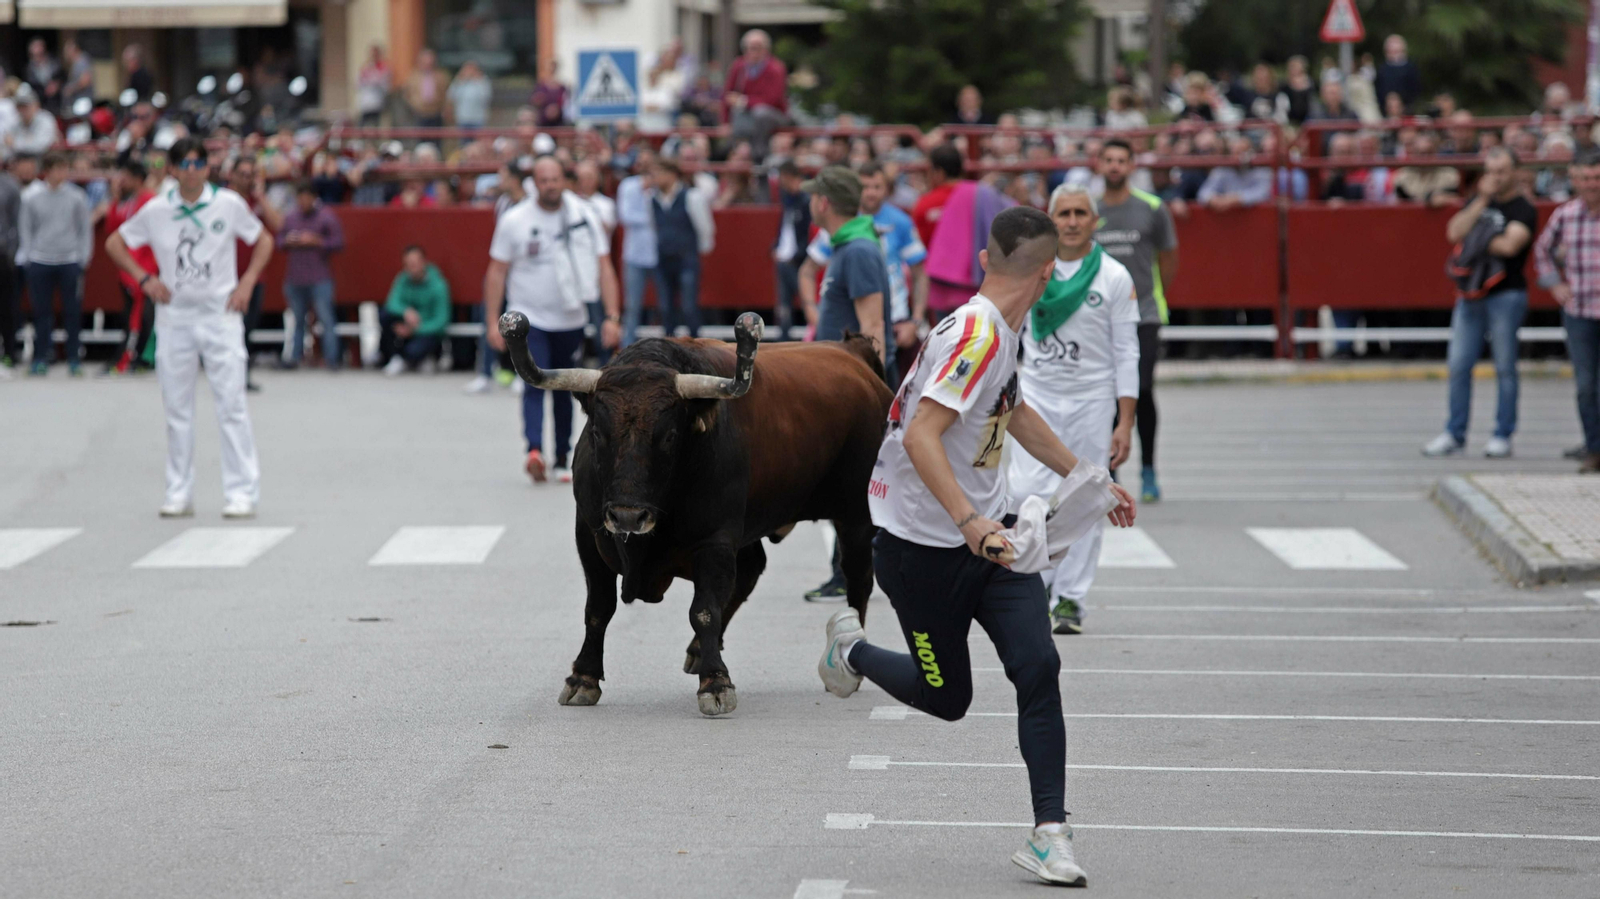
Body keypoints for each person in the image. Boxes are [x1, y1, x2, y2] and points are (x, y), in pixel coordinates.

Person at [818, 206, 1136, 888]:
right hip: (920, 548)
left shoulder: (1002, 330)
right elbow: (920, 435)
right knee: (946, 695)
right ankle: (850, 649)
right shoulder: (978, 333)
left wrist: (1087, 476)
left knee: (1038, 664)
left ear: (988, 260)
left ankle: (1049, 832)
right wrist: (969, 522)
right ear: (1049, 274)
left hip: (994, 540)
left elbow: (1012, 410)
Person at [105, 137, 274, 519]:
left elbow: (263, 240)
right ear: (173, 169)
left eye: (199, 163)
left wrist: (247, 282)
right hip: (176, 317)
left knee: (231, 404)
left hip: (220, 315)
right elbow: (116, 243)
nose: (193, 170)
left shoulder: (227, 204)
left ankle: (241, 491)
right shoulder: (158, 209)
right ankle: (179, 491)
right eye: (186, 163)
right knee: (177, 409)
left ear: (207, 168)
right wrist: (145, 280)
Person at [1008, 184, 1140, 635]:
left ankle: (1069, 598)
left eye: (1081, 212)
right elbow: (1008, 336)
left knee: (1087, 494)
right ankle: (1037, 581)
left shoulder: (1115, 277)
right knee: (1024, 489)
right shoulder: (1031, 273)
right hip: (1038, 397)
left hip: (1091, 400)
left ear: (1094, 220)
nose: (1072, 220)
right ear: (1051, 219)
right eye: (1063, 212)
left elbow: (1127, 353)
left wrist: (1125, 421)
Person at [483, 156, 620, 485]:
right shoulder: (515, 219)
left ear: (564, 180)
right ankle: (534, 450)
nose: (550, 185)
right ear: (534, 182)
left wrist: (612, 316)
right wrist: (491, 322)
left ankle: (561, 456)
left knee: (563, 390)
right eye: (544, 180)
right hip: (530, 318)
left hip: (571, 317)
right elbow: (496, 272)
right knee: (533, 381)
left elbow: (604, 266)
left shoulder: (585, 216)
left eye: (556, 179)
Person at [1420, 148, 1535, 459]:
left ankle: (1502, 434)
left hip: (1506, 295)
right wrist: (1482, 204)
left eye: (1502, 171)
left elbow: (1511, 245)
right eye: (1491, 171)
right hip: (1470, 295)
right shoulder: (1479, 201)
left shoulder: (1523, 208)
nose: (1496, 177)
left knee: (1504, 367)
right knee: (1459, 365)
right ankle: (1454, 433)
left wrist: (1477, 235)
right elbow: (1454, 232)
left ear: (1515, 172)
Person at [1092, 139, 1178, 505]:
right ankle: (1109, 471)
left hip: (1142, 315)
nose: (1114, 166)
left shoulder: (1153, 208)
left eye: (1121, 161)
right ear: (1099, 165)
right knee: (1105, 394)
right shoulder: (1087, 210)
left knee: (1141, 391)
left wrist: (1153, 295)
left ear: (1131, 166)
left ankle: (1148, 470)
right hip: (1098, 318)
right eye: (1108, 160)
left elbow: (1168, 258)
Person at [805, 160, 927, 378]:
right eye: (866, 187)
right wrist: (813, 313)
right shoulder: (849, 243)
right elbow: (806, 271)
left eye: (813, 196)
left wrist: (874, 390)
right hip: (845, 375)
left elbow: (873, 327)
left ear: (823, 203)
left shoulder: (858, 250)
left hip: (854, 380)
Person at [1535, 150, 1600, 473]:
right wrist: (1554, 285)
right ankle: (1594, 447)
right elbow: (1541, 251)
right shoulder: (1566, 215)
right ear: (1575, 180)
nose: (1592, 184)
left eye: (1597, 178)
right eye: (1586, 178)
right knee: (1586, 384)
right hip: (1579, 309)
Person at [19, 153, 92, 376]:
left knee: (72, 311)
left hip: (69, 260)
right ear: (47, 171)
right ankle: (41, 357)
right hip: (40, 260)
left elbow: (84, 229)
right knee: (42, 313)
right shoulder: (31, 196)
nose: (61, 174)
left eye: (64, 169)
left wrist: (83, 257)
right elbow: (26, 228)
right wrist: (29, 256)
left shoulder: (77, 196)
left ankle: (73, 358)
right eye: (57, 169)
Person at [466, 160, 530, 393]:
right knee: (490, 319)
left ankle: (523, 374)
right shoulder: (502, 203)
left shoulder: (531, 203)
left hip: (523, 274)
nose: (498, 182)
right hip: (503, 271)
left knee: (522, 323)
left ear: (514, 178)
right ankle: (484, 373)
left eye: (502, 176)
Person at [279, 180, 346, 369]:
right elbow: (279, 240)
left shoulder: (326, 218)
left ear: (314, 198)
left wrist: (317, 241)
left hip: (319, 277)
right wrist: (288, 241)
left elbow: (338, 242)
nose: (303, 201)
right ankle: (295, 357)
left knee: (326, 319)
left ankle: (332, 359)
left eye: (306, 197)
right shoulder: (291, 218)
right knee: (298, 320)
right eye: (300, 198)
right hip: (296, 276)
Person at [227, 156, 281, 390]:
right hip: (225, 275)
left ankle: (242, 376)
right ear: (233, 174)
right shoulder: (223, 200)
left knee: (247, 329)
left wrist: (261, 197)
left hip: (253, 275)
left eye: (251, 174)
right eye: (243, 174)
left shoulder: (257, 202)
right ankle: (227, 375)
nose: (246, 179)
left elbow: (278, 226)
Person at [649, 157, 715, 339]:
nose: (654, 178)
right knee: (665, 308)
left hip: (686, 258)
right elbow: (655, 226)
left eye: (658, 173)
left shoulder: (691, 196)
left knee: (689, 307)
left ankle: (696, 346)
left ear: (671, 174)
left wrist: (696, 251)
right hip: (663, 259)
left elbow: (705, 228)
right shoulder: (652, 198)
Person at [104, 158, 159, 374]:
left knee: (140, 318)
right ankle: (131, 358)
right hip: (129, 268)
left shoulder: (150, 201)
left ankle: (132, 359)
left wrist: (144, 270)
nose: (121, 181)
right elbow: (113, 229)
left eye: (125, 177)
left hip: (145, 269)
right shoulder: (127, 201)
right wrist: (116, 199)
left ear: (137, 179)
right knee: (130, 317)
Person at [615, 149, 660, 348]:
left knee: (665, 307)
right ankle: (626, 350)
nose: (645, 166)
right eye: (642, 162)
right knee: (632, 307)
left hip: (660, 255)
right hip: (634, 254)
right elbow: (625, 215)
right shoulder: (629, 185)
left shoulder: (662, 184)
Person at [381, 246, 450, 375]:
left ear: (424, 262)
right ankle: (397, 358)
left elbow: (441, 321)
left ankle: (422, 358)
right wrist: (406, 312)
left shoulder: (438, 285)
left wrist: (415, 330)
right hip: (407, 327)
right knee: (385, 316)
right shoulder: (402, 279)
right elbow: (391, 302)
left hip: (427, 330)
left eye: (414, 264)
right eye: (408, 265)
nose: (411, 268)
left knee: (417, 348)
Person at [722, 29, 789, 158]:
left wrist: (744, 101)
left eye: (757, 48)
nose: (752, 52)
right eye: (749, 48)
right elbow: (727, 95)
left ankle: (759, 156)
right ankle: (737, 153)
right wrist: (725, 122)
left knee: (761, 113)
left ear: (766, 49)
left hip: (773, 115)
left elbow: (773, 100)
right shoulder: (739, 66)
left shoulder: (776, 68)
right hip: (746, 117)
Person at [771, 160, 811, 342]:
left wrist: (797, 254)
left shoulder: (805, 202)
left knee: (805, 300)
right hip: (786, 259)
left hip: (798, 261)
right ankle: (784, 337)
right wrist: (776, 247)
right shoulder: (789, 200)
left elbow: (807, 232)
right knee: (784, 305)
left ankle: (812, 333)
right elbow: (784, 228)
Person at [0, 159, 20, 372]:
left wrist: (12, 253)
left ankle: (9, 352)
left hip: (2, 254)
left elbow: (17, 222)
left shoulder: (10, 185)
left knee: (6, 307)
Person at [3, 87, 60, 158]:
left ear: (36, 105)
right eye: (19, 106)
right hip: (21, 161)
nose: (22, 110)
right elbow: (7, 147)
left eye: (25, 106)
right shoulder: (16, 122)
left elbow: (39, 146)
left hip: (44, 160)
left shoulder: (46, 118)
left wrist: (15, 144)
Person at [1373, 35, 1421, 112]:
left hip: (1406, 110)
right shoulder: (1382, 69)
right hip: (1385, 111)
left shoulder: (1411, 68)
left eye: (1397, 51)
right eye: (1391, 51)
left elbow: (1415, 89)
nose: (1394, 55)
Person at [403, 49, 449, 128]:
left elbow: (445, 94)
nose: (428, 63)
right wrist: (414, 106)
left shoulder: (440, 76)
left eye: (430, 61)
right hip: (419, 114)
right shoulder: (413, 76)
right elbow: (407, 94)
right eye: (426, 61)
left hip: (436, 113)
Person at [448, 60, 492, 130]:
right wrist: (460, 81)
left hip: (478, 119)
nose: (470, 72)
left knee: (478, 140)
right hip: (463, 118)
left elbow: (485, 97)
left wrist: (477, 81)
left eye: (472, 69)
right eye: (467, 69)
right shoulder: (459, 81)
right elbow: (451, 96)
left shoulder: (483, 81)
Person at [357, 46, 391, 127]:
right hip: (365, 102)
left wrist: (374, 79)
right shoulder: (365, 67)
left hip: (377, 102)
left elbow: (385, 85)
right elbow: (358, 83)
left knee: (375, 125)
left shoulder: (383, 68)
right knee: (362, 125)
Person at [530, 59, 569, 127]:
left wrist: (556, 110)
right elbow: (534, 102)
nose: (552, 70)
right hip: (543, 124)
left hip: (558, 123)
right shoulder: (541, 87)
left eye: (554, 67)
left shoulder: (562, 88)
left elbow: (567, 104)